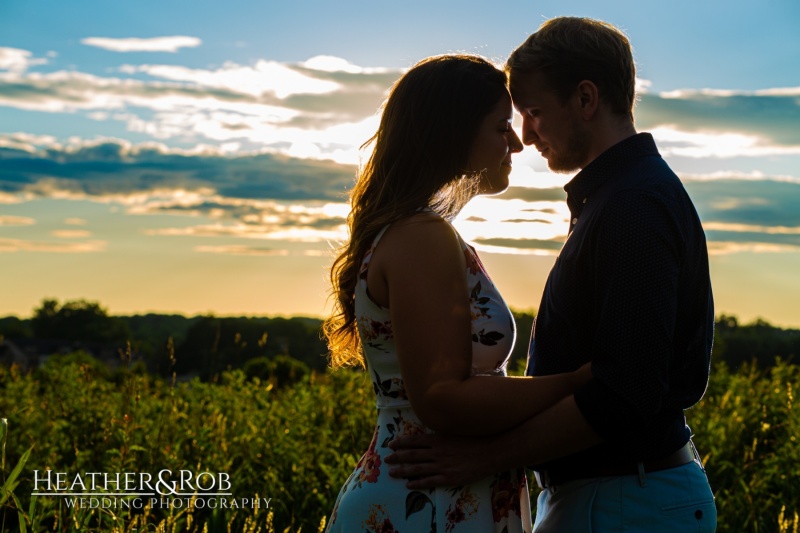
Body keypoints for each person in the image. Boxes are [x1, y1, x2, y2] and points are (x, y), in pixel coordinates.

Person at [385, 17, 718, 532]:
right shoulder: (617, 199)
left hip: (627, 499)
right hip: (617, 496)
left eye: (534, 112)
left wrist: (487, 457)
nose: (524, 134)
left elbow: (624, 392)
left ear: (586, 99)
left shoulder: (633, 208)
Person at [322, 54, 592, 533]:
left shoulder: (418, 233)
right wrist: (579, 382)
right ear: (453, 134)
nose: (516, 142)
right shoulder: (421, 237)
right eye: (500, 127)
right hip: (424, 505)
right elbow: (443, 399)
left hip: (435, 495)